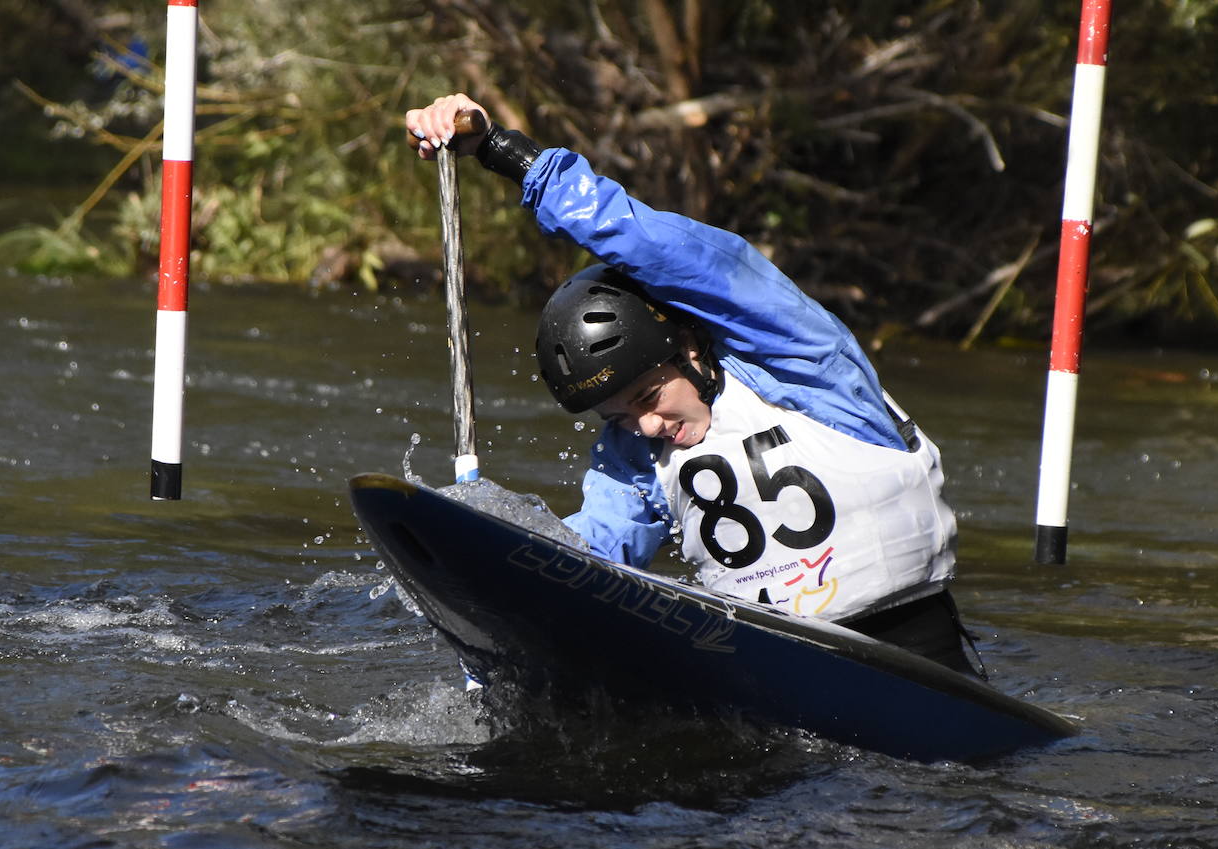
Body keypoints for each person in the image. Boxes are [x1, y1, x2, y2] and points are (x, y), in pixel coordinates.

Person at [405, 93, 981, 678]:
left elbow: (661, 249)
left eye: (650, 398)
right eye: (619, 416)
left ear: (689, 348)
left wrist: (504, 153)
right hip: (767, 679)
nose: (648, 426)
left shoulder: (803, 365)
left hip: (920, 659)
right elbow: (585, 562)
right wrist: (481, 567)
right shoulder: (636, 453)